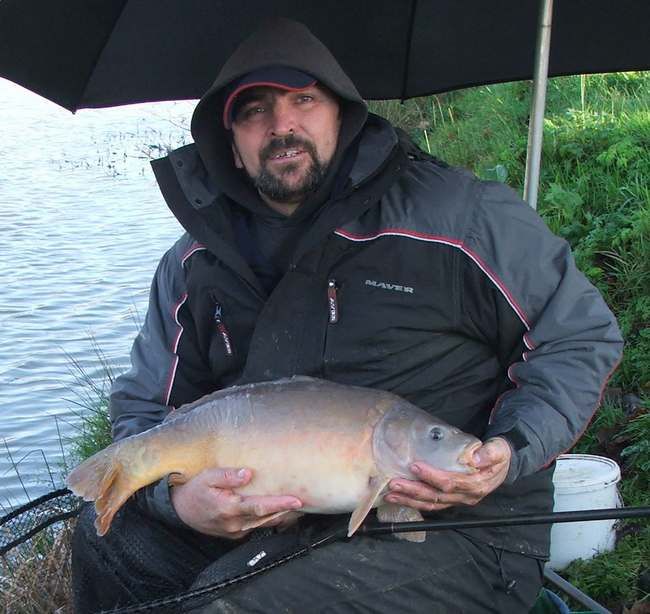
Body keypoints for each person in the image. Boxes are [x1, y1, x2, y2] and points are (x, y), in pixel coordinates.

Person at [71, 17, 623, 613]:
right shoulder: (194, 264)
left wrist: (509, 450)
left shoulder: (461, 216)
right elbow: (145, 411)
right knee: (108, 547)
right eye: (255, 111)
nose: (283, 125)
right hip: (279, 521)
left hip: (454, 528)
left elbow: (578, 338)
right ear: (229, 139)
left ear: (342, 114)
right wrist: (178, 503)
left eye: (303, 100)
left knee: (231, 607)